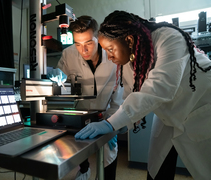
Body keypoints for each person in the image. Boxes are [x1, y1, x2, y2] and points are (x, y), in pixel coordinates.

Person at [74, 10, 211, 180]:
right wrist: (119, 124)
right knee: (157, 169)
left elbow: (158, 88)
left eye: (110, 49)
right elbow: (132, 95)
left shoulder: (169, 39)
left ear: (129, 40)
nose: (108, 57)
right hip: (169, 115)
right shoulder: (130, 61)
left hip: (201, 110)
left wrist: (111, 124)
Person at [47, 16, 126, 180]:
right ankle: (84, 170)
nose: (83, 50)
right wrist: (55, 79)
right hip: (80, 113)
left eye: (89, 43)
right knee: (78, 145)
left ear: (98, 37)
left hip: (106, 112)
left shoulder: (112, 55)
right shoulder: (68, 54)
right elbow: (61, 82)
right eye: (78, 44)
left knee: (109, 152)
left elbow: (118, 97)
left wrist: (112, 124)